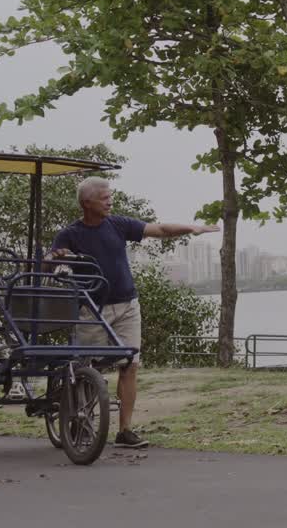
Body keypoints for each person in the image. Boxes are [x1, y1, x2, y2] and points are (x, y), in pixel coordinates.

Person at [49, 176, 218, 449]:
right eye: (104, 198)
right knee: (83, 367)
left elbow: (159, 229)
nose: (110, 201)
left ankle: (125, 430)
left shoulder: (118, 224)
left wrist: (191, 228)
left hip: (128, 305)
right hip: (91, 308)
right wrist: (57, 258)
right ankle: (80, 422)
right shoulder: (70, 234)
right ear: (87, 203)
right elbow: (49, 262)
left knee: (130, 365)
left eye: (109, 196)